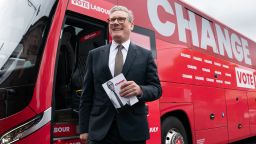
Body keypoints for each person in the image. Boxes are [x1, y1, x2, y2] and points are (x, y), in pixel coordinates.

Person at [79, 5, 162, 144]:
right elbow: (86, 95)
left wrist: (140, 90)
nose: (115, 22)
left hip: (133, 131)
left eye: (121, 19)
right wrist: (83, 129)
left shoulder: (145, 55)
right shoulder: (94, 55)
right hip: (100, 131)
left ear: (131, 25)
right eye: (112, 20)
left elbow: (157, 89)